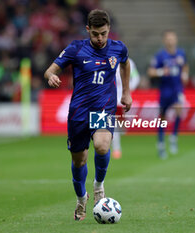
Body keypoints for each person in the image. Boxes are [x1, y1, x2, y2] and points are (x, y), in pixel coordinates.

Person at [44, 9, 132, 221]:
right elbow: (50, 70)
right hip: (79, 113)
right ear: (88, 30)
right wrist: (51, 77)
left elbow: (125, 64)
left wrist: (127, 92)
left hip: (104, 108)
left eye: (103, 33)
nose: (100, 38)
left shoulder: (118, 48)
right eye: (95, 34)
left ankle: (99, 186)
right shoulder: (76, 49)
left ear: (109, 29)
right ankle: (81, 199)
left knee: (103, 145)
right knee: (79, 161)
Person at [147, 30, 189, 159]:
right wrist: (161, 72)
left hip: (177, 89)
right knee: (163, 118)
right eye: (168, 39)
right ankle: (160, 143)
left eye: (172, 38)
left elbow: (185, 66)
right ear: (164, 41)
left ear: (176, 40)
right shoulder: (160, 56)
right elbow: (151, 72)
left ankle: (173, 137)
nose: (170, 41)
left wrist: (185, 75)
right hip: (165, 90)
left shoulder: (181, 53)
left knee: (178, 111)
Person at [112, 58, 140, 159]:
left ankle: (117, 142)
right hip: (111, 97)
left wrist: (128, 90)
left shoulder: (130, 62)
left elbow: (136, 77)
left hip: (123, 99)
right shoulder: (109, 60)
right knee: (113, 124)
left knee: (121, 128)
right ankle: (116, 149)